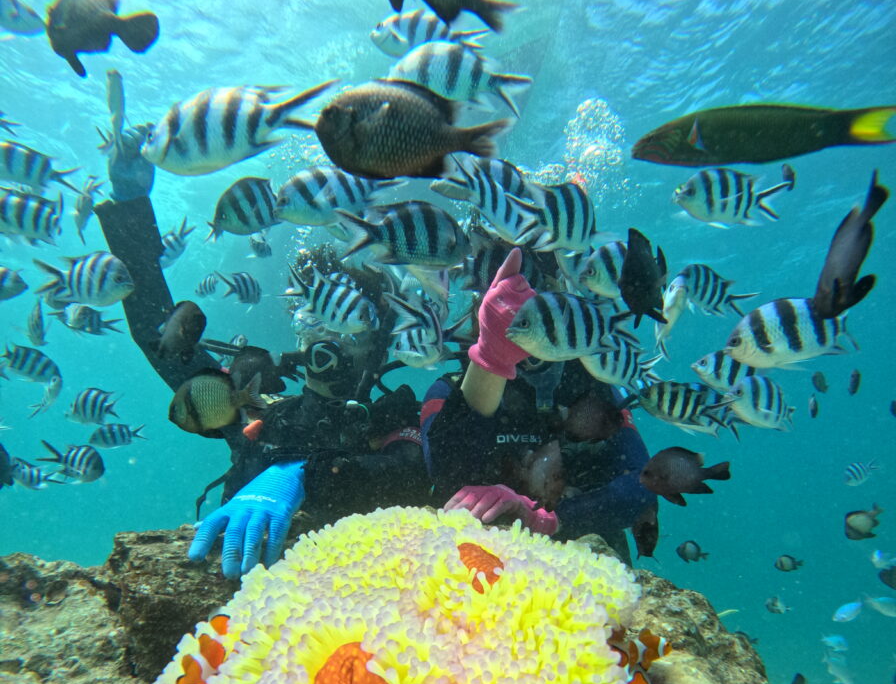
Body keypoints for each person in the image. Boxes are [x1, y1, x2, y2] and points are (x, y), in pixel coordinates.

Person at [96, 127, 429, 581]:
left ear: (380, 341)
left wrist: (302, 474)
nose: (327, 340)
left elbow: (406, 478)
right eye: (315, 321)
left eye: (351, 326)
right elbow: (160, 339)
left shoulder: (390, 411)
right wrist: (130, 215)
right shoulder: (257, 403)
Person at [421, 249, 656, 562]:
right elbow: (447, 474)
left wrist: (549, 519)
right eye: (510, 303)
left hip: (587, 558)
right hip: (477, 562)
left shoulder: (594, 391)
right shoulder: (449, 391)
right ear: (483, 307)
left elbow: (644, 485)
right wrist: (492, 359)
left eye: (543, 303)